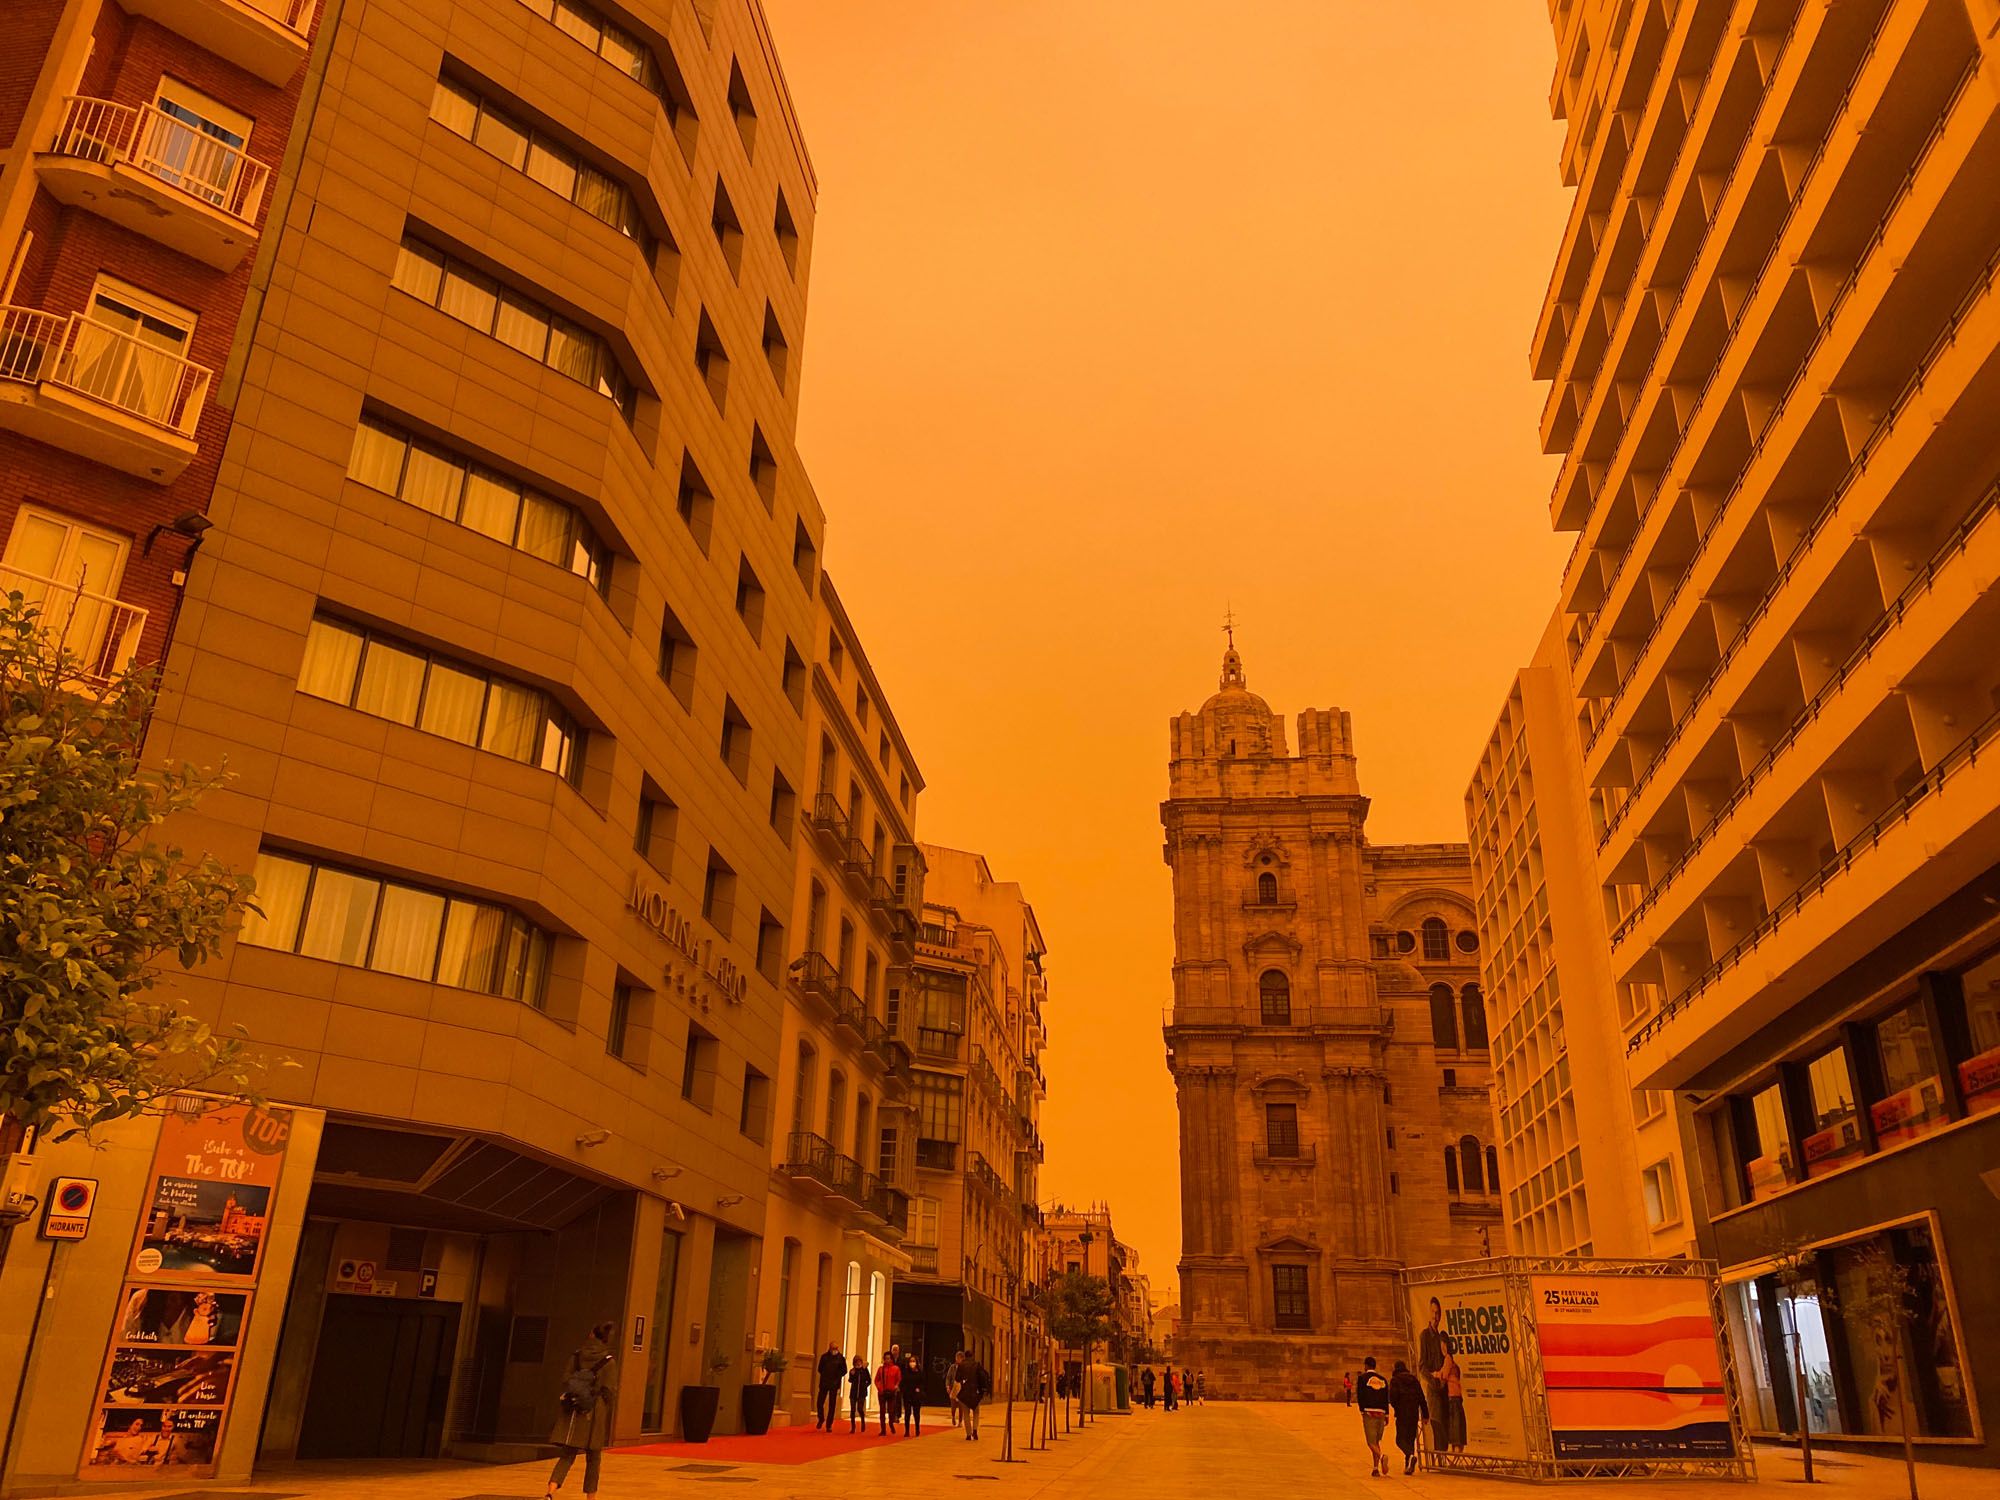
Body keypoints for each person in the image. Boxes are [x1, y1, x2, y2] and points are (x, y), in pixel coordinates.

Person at [547, 1321, 617, 1500]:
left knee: (567, 1454)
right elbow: (609, 1391)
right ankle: (590, 1498)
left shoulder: (576, 1356)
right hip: (595, 1411)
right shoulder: (608, 1362)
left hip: (574, 1410)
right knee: (593, 1458)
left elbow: (566, 1380)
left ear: (591, 1335)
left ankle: (551, 1490)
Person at [1387, 1358, 1429, 1475]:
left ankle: (1410, 1456)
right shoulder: (1414, 1380)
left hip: (1402, 1413)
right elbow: (1421, 1397)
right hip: (1413, 1413)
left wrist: (1396, 1407)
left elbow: (1393, 1398)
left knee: (1400, 1440)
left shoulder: (1395, 1380)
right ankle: (1408, 1465)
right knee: (1410, 1439)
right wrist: (1425, 1414)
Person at [1417, 1296, 1447, 1451]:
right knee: (1437, 1424)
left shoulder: (1442, 1336)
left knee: (1446, 1427)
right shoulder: (1425, 1336)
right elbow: (1422, 1366)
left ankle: (1443, 1458)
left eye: (1438, 1313)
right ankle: (1439, 1459)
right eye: (1433, 1312)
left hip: (1445, 1387)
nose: (1435, 1316)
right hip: (1434, 1389)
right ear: (1429, 1313)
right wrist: (1434, 1380)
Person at [1356, 1355, 1391, 1477]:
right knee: (1376, 1441)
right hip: (1381, 1412)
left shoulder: (1362, 1378)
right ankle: (1375, 1468)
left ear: (1366, 1366)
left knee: (1370, 1442)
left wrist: (1361, 1410)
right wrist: (1387, 1414)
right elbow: (1386, 1398)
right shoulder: (1383, 1380)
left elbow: (1360, 1395)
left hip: (1369, 1411)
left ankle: (1382, 1457)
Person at [955, 1349, 990, 1441]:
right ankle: (975, 1430)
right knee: (976, 1412)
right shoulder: (977, 1365)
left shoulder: (961, 1365)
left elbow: (957, 1379)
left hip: (965, 1392)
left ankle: (968, 1434)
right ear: (972, 1356)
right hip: (975, 1392)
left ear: (965, 1356)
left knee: (966, 1414)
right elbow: (982, 1378)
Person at [1440, 1335, 1466, 1455]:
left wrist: (1433, 1374)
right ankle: (1458, 1449)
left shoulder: (1448, 1359)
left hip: (1452, 1394)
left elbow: (1443, 1375)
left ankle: (1456, 1451)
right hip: (1457, 1394)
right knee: (1457, 1423)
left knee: (1454, 1424)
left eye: (1442, 1344)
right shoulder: (1452, 1360)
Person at [814, 1341, 845, 1431]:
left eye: (836, 1348)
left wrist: (837, 1376)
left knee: (832, 1405)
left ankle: (829, 1425)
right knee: (819, 1403)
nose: (835, 1350)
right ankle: (821, 1418)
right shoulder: (824, 1357)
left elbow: (844, 1370)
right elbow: (820, 1368)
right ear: (830, 1348)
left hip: (834, 1384)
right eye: (833, 1348)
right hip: (824, 1383)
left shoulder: (840, 1358)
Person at [874, 1349, 902, 1435]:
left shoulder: (896, 1369)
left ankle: (891, 1424)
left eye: (889, 1358)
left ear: (891, 1359)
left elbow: (898, 1379)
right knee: (882, 1411)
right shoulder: (881, 1369)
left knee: (891, 1410)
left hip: (891, 1392)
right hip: (882, 1392)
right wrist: (880, 1388)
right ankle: (883, 1429)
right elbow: (876, 1380)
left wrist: (896, 1386)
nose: (887, 1360)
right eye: (886, 1358)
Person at [847, 1354, 870, 1434]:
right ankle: (853, 1427)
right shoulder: (852, 1371)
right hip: (853, 1393)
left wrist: (865, 1386)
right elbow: (850, 1380)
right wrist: (852, 1375)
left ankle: (863, 1421)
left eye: (859, 1361)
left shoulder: (864, 1370)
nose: (858, 1363)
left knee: (860, 1409)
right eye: (856, 1362)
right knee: (852, 1410)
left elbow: (869, 1380)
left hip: (861, 1393)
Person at [902, 1353, 925, 1434]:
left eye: (914, 1361)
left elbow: (922, 1383)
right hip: (907, 1395)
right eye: (911, 1361)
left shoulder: (920, 1372)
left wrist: (919, 1389)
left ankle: (917, 1429)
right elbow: (903, 1383)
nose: (912, 1363)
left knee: (916, 1413)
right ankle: (907, 1431)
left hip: (916, 1395)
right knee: (907, 1413)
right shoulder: (906, 1372)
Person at [947, 1349, 965, 1428]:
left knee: (961, 1406)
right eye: (956, 1358)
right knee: (953, 1405)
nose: (957, 1359)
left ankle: (960, 1421)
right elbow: (948, 1377)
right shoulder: (952, 1367)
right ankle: (953, 1416)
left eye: (959, 1358)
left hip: (961, 1388)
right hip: (953, 1387)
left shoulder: (964, 1367)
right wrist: (948, 1386)